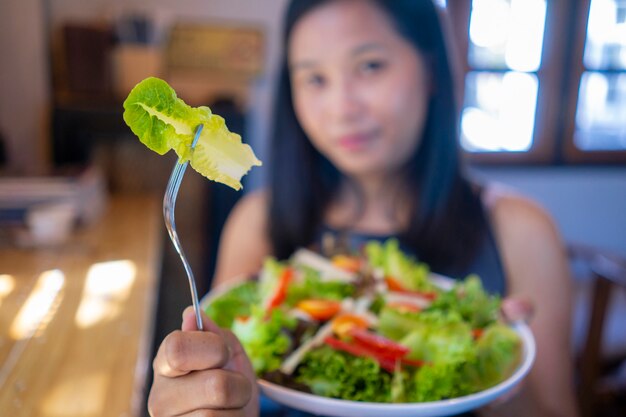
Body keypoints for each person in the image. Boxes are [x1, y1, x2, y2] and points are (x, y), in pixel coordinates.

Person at [147, 1, 579, 416]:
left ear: (431, 70)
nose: (342, 108)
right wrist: (214, 399)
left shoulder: (520, 230)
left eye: (370, 66)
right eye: (314, 79)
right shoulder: (258, 221)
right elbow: (234, 379)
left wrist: (493, 376)